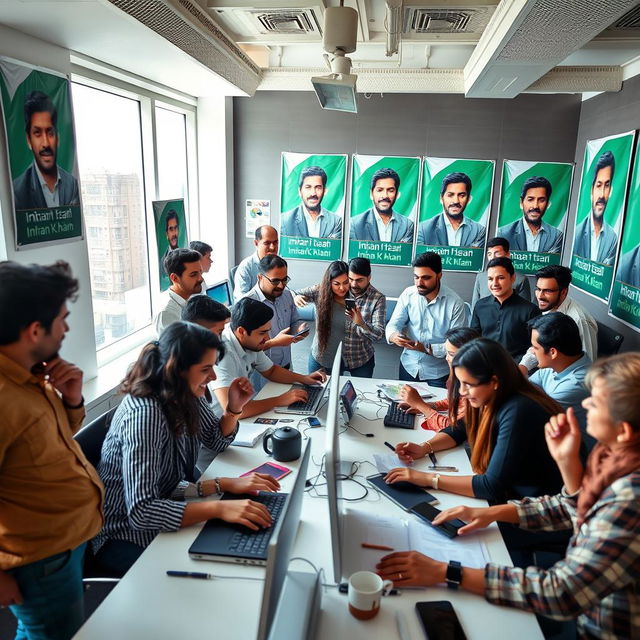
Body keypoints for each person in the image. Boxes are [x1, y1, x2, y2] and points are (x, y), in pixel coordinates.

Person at [379, 352, 640, 640]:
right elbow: (571, 506)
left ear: (625, 431)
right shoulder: (613, 458)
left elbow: (561, 592)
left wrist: (446, 572)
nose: (586, 404)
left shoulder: (630, 499)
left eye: (596, 402)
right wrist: (488, 512)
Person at [94, 322, 278, 576]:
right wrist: (219, 508)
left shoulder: (184, 393)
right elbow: (142, 511)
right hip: (125, 534)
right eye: (205, 369)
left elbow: (215, 439)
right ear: (176, 370)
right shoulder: (145, 415)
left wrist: (233, 409)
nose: (213, 377)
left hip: (165, 503)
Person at [0, 260, 103, 638]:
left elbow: (47, 440)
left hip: (64, 543)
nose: (67, 327)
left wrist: (72, 399)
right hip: (39, 557)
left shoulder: (27, 369)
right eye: (62, 318)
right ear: (34, 330)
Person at [389, 338, 562, 503]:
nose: (462, 392)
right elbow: (459, 429)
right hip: (513, 496)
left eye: (468, 384)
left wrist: (426, 478)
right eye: (461, 383)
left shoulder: (518, 410)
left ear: (494, 381)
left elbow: (491, 486)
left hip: (534, 508)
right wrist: (424, 448)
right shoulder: (492, 395)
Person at [211, 298, 326, 420]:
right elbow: (233, 410)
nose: (268, 338)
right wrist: (280, 400)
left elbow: (271, 371)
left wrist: (304, 379)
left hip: (240, 414)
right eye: (262, 333)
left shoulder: (250, 342)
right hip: (219, 424)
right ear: (241, 332)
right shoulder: (222, 353)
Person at [386, 251, 468, 387]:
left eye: (426, 278)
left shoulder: (455, 303)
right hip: (409, 367)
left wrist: (426, 348)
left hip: (438, 373)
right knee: (402, 407)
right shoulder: (408, 294)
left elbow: (456, 345)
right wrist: (394, 336)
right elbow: (394, 324)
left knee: (435, 408)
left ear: (439, 275)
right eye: (416, 277)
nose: (419, 283)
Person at [295, 257, 386, 378]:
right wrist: (295, 297)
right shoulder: (324, 290)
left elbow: (379, 335)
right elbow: (293, 292)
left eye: (359, 280)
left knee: (358, 394)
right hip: (323, 356)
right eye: (351, 279)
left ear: (369, 278)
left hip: (359, 358)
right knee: (318, 391)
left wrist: (361, 323)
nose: (352, 285)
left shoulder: (377, 298)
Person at [524, 313, 592, 450]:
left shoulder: (574, 385)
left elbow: (526, 409)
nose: (531, 352)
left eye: (535, 348)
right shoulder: (560, 363)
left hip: (579, 459)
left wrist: (523, 366)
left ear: (553, 352)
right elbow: (524, 387)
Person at [397, 327, 479, 431]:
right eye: (447, 352)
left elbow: (451, 429)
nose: (446, 358)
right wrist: (425, 405)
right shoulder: (459, 378)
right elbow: (452, 401)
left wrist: (420, 405)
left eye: (451, 354)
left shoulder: (475, 388)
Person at [12, 90, 80, 211]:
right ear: (29, 140)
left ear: (57, 138)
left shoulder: (72, 185)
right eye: (37, 133)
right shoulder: (17, 191)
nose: (46, 143)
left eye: (50, 133)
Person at [243, 255, 307, 370]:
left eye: (284, 280)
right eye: (275, 281)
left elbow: (294, 320)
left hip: (287, 366)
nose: (281, 285)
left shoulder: (287, 295)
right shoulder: (248, 303)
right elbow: (246, 349)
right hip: (262, 373)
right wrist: (274, 342)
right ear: (260, 277)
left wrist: (299, 328)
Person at [523, 264, 597, 362]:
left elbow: (587, 365)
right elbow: (537, 348)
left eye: (547, 291)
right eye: (538, 289)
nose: (540, 296)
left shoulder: (579, 321)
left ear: (563, 292)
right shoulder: (548, 306)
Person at [471, 256, 540, 360]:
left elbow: (535, 347)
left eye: (500, 278)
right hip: (485, 366)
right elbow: (473, 339)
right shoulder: (480, 305)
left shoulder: (531, 310)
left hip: (516, 369)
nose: (494, 284)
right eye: (490, 279)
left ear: (513, 278)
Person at [416, 172, 485, 247]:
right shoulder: (423, 229)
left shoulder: (479, 231)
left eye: (461, 195)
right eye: (450, 195)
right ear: (441, 198)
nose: (456, 201)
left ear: (469, 199)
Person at [573, 151, 618, 265]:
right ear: (591, 191)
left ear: (611, 190)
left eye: (606, 185)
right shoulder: (577, 233)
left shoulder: (613, 238)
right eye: (598, 185)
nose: (602, 194)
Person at [497, 176, 563, 254]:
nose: (535, 206)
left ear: (548, 204)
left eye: (541, 200)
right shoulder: (503, 234)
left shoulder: (556, 236)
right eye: (530, 199)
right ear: (521, 203)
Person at [349, 168, 414, 243]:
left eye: (390, 190)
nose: (385, 196)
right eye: (380, 190)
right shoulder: (354, 225)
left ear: (397, 195)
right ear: (371, 194)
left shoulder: (407, 226)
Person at [280, 166, 342, 239]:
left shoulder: (336, 221)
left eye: (318, 187)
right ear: (300, 191)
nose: (313, 193)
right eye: (308, 187)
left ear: (324, 191)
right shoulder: (285, 221)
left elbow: (334, 249)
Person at [471, 236, 531, 309]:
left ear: (507, 254)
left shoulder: (521, 279)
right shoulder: (480, 277)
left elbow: (525, 309)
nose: (492, 257)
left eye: (497, 253)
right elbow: (474, 306)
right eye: (489, 254)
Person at [154, 248, 204, 335]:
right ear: (175, 278)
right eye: (193, 274)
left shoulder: (192, 296)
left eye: (200, 272)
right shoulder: (166, 314)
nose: (201, 279)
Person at [233, 225, 279, 301]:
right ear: (256, 243)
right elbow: (240, 300)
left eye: (275, 242)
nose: (272, 247)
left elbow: (282, 289)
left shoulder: (277, 263)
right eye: (267, 243)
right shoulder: (245, 267)